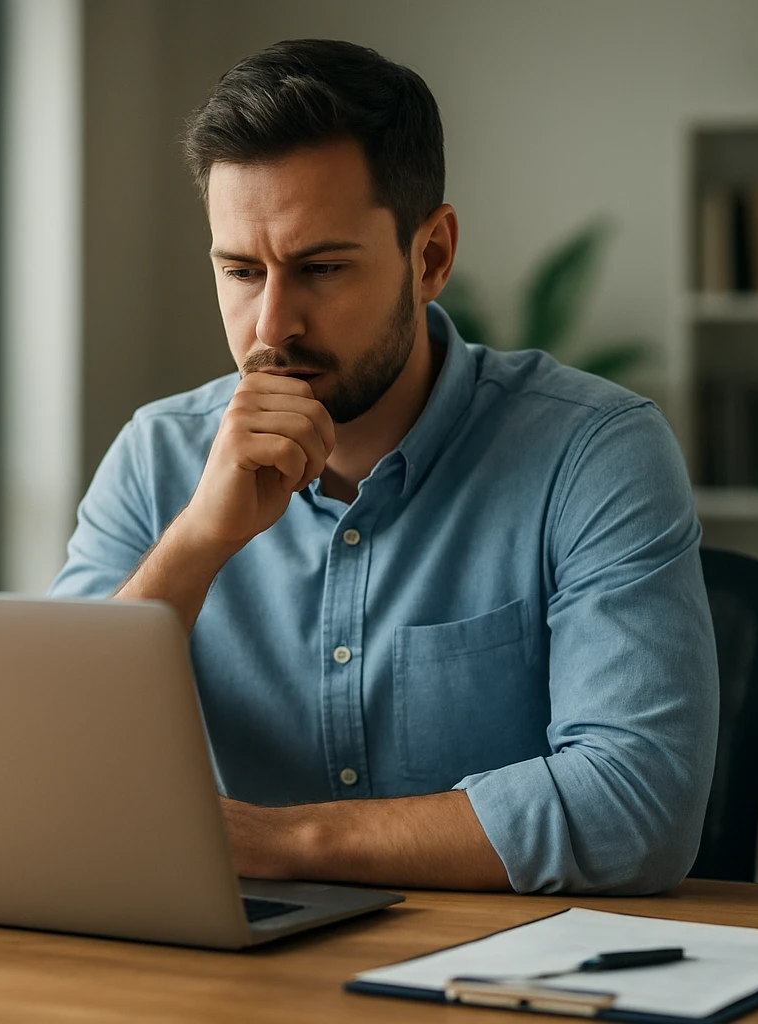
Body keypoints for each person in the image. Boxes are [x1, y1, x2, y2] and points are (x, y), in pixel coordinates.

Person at [49, 39, 717, 894]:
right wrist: (197, 544)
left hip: (500, 973)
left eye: (321, 268)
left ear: (431, 256)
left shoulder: (595, 452)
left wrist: (285, 845)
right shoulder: (157, 455)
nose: (270, 326)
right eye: (241, 272)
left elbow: (638, 803)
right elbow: (56, 768)